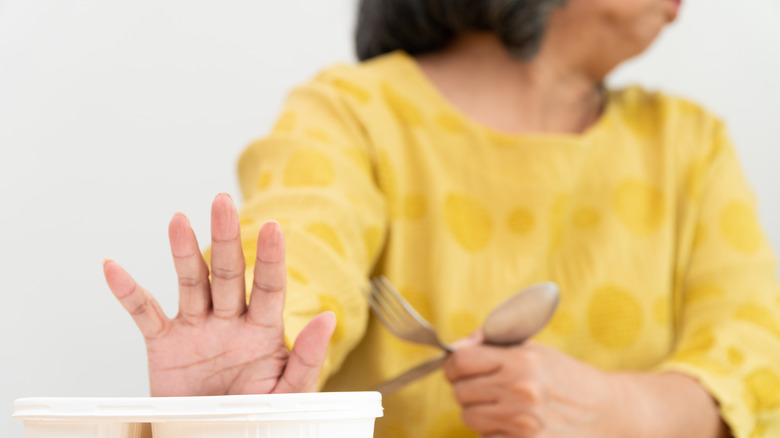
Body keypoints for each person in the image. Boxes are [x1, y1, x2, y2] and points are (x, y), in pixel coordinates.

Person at [102, 0, 780, 436]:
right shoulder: (348, 114)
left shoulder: (693, 144)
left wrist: (615, 409)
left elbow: (759, 359)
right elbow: (305, 246)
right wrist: (253, 366)